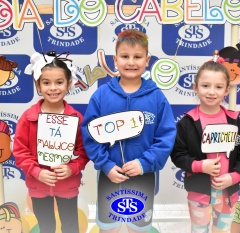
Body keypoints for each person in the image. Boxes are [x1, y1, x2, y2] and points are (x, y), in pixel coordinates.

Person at [81, 29, 176, 233]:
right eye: (125, 56)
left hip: (143, 175)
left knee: (138, 228)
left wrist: (144, 163)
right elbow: (90, 134)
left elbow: (166, 137)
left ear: (147, 59)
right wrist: (105, 164)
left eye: (137, 57)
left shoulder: (157, 97)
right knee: (109, 228)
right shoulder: (101, 96)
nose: (131, 62)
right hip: (110, 175)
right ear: (115, 59)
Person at [170, 58, 240, 233]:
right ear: (195, 87)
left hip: (228, 194)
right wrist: (201, 166)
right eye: (205, 86)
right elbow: (178, 155)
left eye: (218, 87)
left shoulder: (235, 122)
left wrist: (234, 177)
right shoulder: (187, 123)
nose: (211, 92)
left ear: (226, 90)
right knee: (199, 230)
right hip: (199, 194)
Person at [13, 51, 89, 233]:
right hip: (38, 185)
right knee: (46, 227)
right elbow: (20, 151)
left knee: (71, 227)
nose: (53, 88)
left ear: (69, 84)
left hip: (67, 186)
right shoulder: (28, 118)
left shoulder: (76, 118)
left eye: (59, 82)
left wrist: (72, 168)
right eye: (46, 83)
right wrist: (36, 171)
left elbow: (84, 151)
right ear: (38, 85)